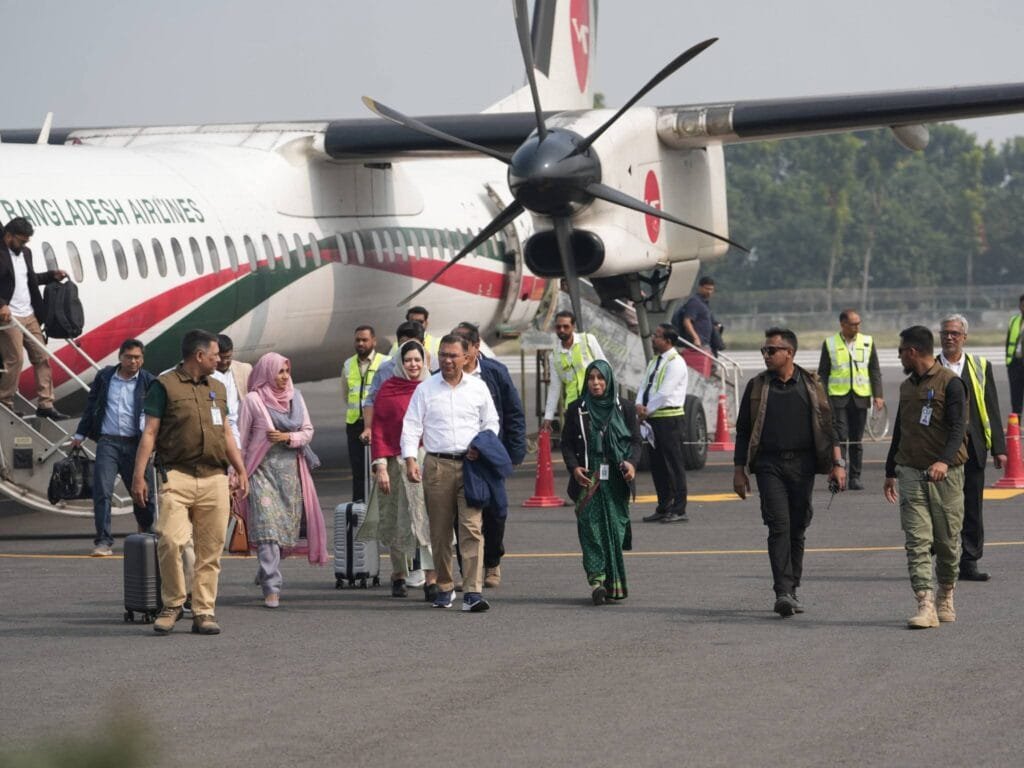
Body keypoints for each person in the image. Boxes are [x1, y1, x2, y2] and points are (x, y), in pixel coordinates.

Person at [131, 330, 249, 635]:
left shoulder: (218, 388)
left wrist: (240, 469)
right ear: (199, 356)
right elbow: (150, 433)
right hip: (177, 476)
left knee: (210, 551)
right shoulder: (164, 386)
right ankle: (172, 605)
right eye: (214, 355)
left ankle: (204, 611)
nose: (219, 359)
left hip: (214, 477)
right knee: (171, 540)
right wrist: (139, 475)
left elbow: (226, 433)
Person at [734, 328, 845, 618]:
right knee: (778, 525)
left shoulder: (811, 385)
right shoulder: (757, 387)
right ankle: (782, 591)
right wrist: (739, 471)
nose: (766, 355)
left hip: (803, 466)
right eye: (764, 350)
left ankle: (792, 587)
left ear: (789, 353)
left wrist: (838, 464)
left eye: (771, 350)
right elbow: (744, 431)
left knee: (798, 526)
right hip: (769, 466)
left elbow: (829, 426)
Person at [402, 334, 499, 612]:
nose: (447, 360)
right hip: (437, 466)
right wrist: (410, 459)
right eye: (443, 354)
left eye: (453, 355)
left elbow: (491, 422)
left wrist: (481, 446)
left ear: (466, 358)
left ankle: (472, 591)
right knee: (440, 531)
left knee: (471, 528)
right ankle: (444, 586)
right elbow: (411, 425)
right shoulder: (426, 388)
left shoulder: (478, 388)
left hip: (471, 466)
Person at [884, 325, 968, 630]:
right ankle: (925, 604)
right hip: (910, 472)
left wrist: (944, 461)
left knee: (946, 541)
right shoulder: (907, 388)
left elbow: (959, 429)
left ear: (913, 352)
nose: (900, 357)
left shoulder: (951, 384)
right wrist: (890, 470)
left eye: (901, 352)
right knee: (917, 540)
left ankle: (946, 595)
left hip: (945, 476)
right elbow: (900, 430)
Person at [238, 352, 329, 608]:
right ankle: (271, 586)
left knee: (285, 532)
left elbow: (307, 431)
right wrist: (237, 473)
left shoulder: (295, 398)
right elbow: (241, 441)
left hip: (291, 474)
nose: (284, 377)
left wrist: (288, 438)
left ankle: (267, 567)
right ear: (267, 372)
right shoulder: (253, 401)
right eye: (279, 371)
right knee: (268, 530)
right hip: (261, 473)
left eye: (287, 371)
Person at [561, 360, 642, 605]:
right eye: (591, 378)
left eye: (601, 378)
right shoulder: (576, 409)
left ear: (609, 381)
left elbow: (636, 442)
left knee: (615, 532)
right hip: (588, 480)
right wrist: (574, 468)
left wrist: (631, 464)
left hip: (616, 479)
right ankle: (597, 581)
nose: (595, 383)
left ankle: (613, 583)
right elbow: (566, 444)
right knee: (591, 531)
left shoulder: (625, 408)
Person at [454, 322, 527, 588]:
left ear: (474, 347)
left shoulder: (495, 372)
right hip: (460, 458)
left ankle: (493, 561)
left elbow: (514, 413)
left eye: (462, 345)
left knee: (496, 512)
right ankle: (468, 571)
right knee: (462, 516)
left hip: (490, 457)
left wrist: (515, 452)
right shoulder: (444, 377)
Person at [361, 340, 436, 599]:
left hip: (426, 459)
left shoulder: (433, 389)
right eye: (408, 360)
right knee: (396, 519)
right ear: (400, 363)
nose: (413, 365)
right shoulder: (389, 389)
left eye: (417, 360)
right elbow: (380, 430)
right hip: (394, 463)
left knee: (426, 520)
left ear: (425, 362)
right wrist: (380, 466)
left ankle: (431, 578)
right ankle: (398, 574)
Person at [71, 339, 157, 557]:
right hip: (108, 442)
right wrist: (80, 433)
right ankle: (103, 541)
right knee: (102, 491)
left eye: (138, 357)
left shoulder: (148, 381)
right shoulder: (105, 377)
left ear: (142, 359)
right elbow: (92, 405)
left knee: (142, 493)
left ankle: (146, 529)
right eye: (129, 357)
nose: (133, 361)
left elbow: (156, 415)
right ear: (120, 357)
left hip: (135, 445)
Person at [937, 314, 1005, 582]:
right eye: (945, 333)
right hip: (941, 451)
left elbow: (992, 406)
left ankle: (969, 561)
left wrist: (999, 447)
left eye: (954, 333)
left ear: (964, 337)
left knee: (972, 507)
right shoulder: (931, 366)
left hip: (974, 447)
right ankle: (945, 559)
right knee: (942, 508)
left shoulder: (979, 366)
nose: (949, 337)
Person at [0, 217, 69, 419]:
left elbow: (29, 279)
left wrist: (51, 275)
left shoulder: (25, 253)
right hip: (9, 317)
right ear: (9, 235)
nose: (23, 245)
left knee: (42, 357)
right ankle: (5, 402)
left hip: (29, 314)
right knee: (16, 359)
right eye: (21, 241)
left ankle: (46, 404)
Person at [817, 309, 884, 490]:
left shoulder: (867, 342)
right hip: (838, 397)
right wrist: (822, 396)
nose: (857, 327)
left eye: (859, 323)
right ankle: (841, 473)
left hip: (861, 397)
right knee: (840, 436)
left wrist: (878, 394)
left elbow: (874, 370)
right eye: (853, 324)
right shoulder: (830, 343)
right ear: (843, 324)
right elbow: (823, 372)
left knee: (856, 439)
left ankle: (856, 476)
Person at [635, 323, 689, 524]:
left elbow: (665, 392)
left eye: (657, 336)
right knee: (657, 464)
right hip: (653, 418)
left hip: (668, 418)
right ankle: (663, 505)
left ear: (667, 341)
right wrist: (638, 403)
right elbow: (644, 385)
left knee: (673, 464)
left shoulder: (676, 362)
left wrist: (645, 410)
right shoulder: (655, 361)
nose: (653, 338)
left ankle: (679, 508)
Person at [360, 320, 425, 445]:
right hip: (392, 434)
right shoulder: (385, 370)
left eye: (413, 344)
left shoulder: (430, 370)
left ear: (422, 344)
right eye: (404, 343)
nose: (408, 348)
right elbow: (371, 400)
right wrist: (368, 427)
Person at [341, 325, 385, 502]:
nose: (360, 343)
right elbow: (346, 393)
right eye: (358, 340)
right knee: (358, 470)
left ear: (374, 341)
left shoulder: (385, 362)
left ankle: (379, 506)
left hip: (378, 423)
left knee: (380, 468)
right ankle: (359, 508)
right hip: (354, 424)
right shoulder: (348, 364)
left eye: (365, 340)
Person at [542, 310, 605, 431]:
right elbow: (554, 387)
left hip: (595, 402)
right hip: (573, 407)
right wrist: (548, 416)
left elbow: (605, 368)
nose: (562, 330)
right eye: (558, 327)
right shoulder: (554, 356)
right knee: (576, 445)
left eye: (566, 326)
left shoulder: (588, 340)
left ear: (573, 327)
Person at [210, 333, 252, 448]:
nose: (224, 362)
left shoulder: (244, 370)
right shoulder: (206, 373)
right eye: (220, 357)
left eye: (227, 357)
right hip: (217, 431)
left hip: (241, 430)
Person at [671, 276, 721, 353]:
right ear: (700, 288)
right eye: (706, 289)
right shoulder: (695, 302)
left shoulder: (705, 304)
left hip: (706, 343)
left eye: (711, 289)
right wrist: (696, 338)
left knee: (712, 364)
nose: (709, 292)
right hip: (697, 344)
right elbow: (687, 321)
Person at [1005, 294, 1024, 415]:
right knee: (1016, 398)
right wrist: (1008, 361)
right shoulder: (1014, 320)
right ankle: (1015, 428)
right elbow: (1008, 342)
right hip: (1015, 364)